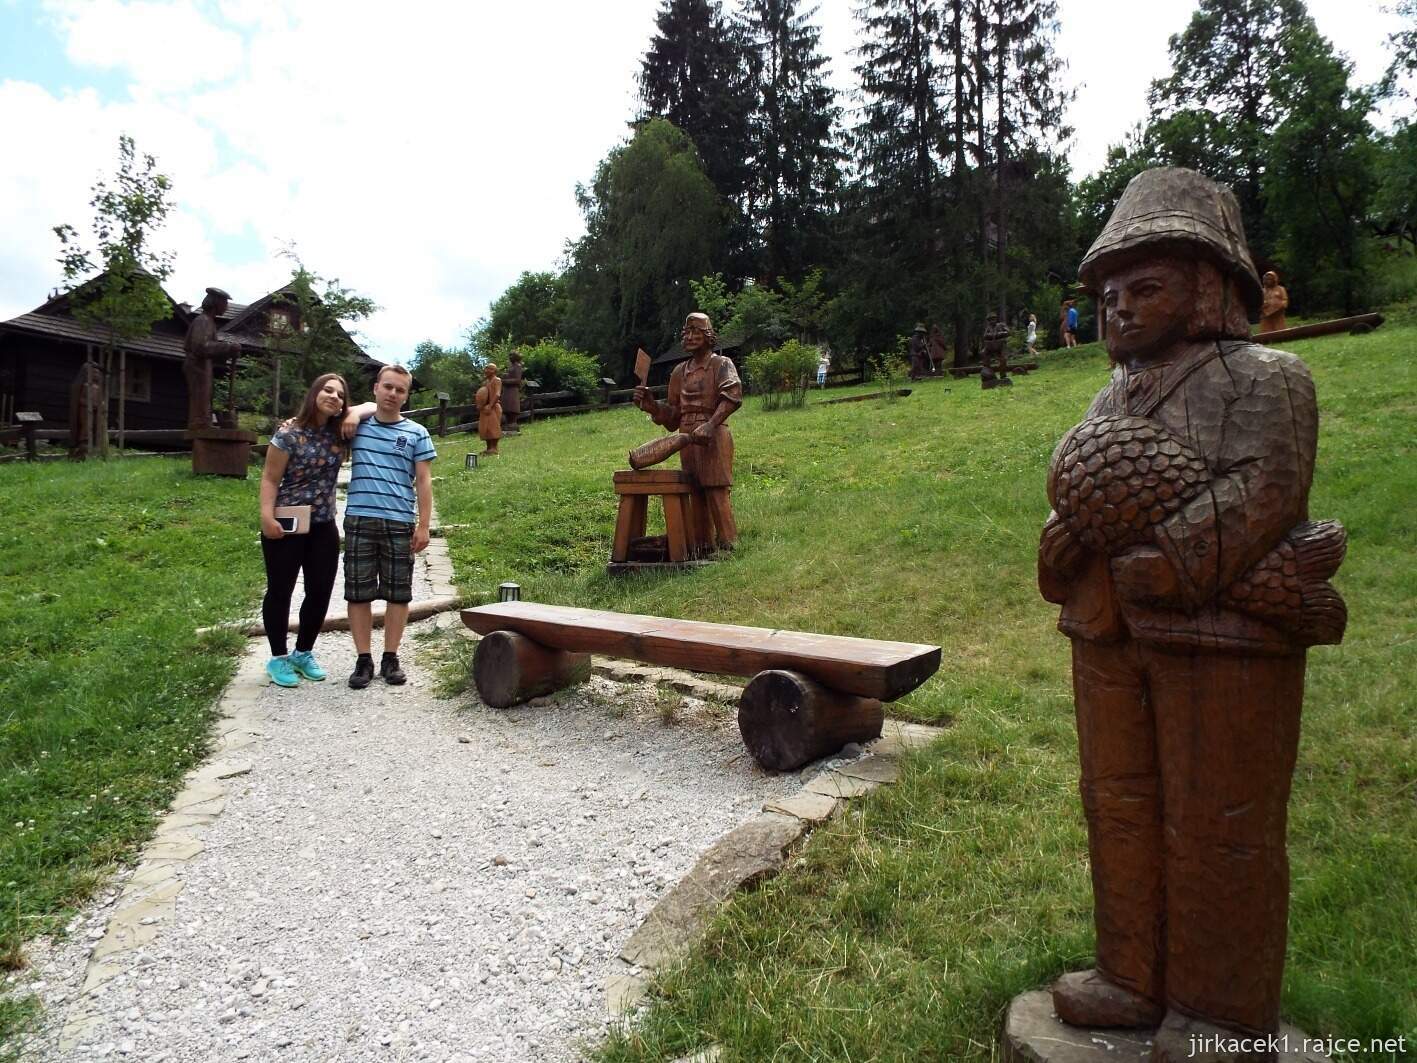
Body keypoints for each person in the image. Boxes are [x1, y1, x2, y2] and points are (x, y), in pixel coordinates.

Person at [1038, 167, 1345, 1062]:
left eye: (1145, 288)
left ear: (1210, 285)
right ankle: (1130, 969)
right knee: (1117, 804)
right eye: (1108, 296)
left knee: (1220, 818)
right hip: (1105, 633)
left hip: (1223, 643)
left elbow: (1265, 487)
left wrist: (1173, 557)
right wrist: (1061, 546)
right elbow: (1086, 492)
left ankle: (1221, 1006)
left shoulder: (1264, 379)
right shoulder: (1107, 395)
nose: (1120, 310)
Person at [339, 365, 436, 688]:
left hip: (399, 519)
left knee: (398, 593)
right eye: (388, 387)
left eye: (400, 390)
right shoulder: (357, 426)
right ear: (376, 388)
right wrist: (355, 412)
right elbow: (325, 414)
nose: (393, 394)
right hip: (359, 518)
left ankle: (390, 657)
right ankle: (363, 659)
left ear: (406, 396)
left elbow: (423, 480)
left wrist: (424, 525)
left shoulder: (417, 433)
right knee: (358, 592)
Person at [258, 373, 349, 688]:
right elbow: (270, 478)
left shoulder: (340, 433)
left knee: (320, 590)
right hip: (287, 522)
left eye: (340, 394)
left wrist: (352, 413)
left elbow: (370, 407)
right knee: (280, 590)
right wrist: (266, 517)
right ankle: (278, 657)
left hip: (323, 524)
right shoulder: (288, 434)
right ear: (314, 393)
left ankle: (303, 652)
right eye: (327, 390)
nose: (333, 396)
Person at [633, 312, 742, 549]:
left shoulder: (721, 364)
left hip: (714, 434)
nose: (690, 336)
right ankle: (702, 544)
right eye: (686, 332)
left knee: (715, 488)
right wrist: (653, 406)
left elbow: (732, 397)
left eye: (696, 331)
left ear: (708, 335)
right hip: (686, 436)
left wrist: (711, 424)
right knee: (695, 489)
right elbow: (673, 417)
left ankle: (728, 543)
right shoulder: (679, 372)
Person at [476, 362, 503, 454]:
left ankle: (494, 448)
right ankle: (488, 448)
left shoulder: (497, 380)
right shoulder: (486, 382)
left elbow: (497, 394)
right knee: (486, 428)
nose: (486, 370)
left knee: (493, 427)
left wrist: (490, 405)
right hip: (486, 408)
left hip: (494, 407)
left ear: (494, 371)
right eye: (486, 368)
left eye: (489, 369)